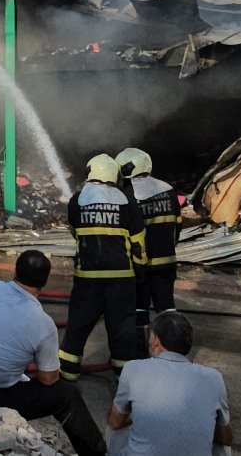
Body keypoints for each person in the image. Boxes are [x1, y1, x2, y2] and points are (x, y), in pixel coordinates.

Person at [0, 251, 107, 456]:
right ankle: (96, 453)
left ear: (14, 271)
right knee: (67, 395)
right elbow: (48, 379)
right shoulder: (43, 324)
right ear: (45, 280)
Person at [58, 154, 145, 380]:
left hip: (87, 279)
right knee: (122, 329)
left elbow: (75, 233)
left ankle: (67, 375)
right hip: (122, 280)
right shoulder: (127, 202)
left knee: (77, 325)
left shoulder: (77, 200)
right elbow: (138, 243)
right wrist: (140, 270)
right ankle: (124, 379)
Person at [107, 311, 233, 455]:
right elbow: (226, 438)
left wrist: (139, 417)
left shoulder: (133, 368)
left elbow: (115, 421)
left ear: (154, 340)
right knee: (223, 448)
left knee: (115, 428)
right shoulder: (214, 378)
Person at [115, 147, 181, 357]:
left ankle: (140, 355)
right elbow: (177, 227)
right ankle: (173, 352)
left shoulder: (126, 195)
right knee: (167, 309)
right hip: (166, 261)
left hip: (138, 266)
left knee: (139, 311)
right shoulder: (168, 190)